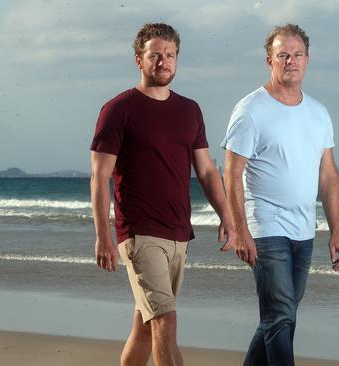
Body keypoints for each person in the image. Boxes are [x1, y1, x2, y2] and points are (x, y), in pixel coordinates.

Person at [90, 23, 236, 366]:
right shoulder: (118, 109)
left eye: (170, 55)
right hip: (139, 234)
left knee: (145, 324)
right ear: (139, 60)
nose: (163, 61)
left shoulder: (190, 110)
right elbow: (100, 176)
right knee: (166, 322)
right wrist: (103, 237)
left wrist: (228, 217)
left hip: (178, 234)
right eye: (155, 55)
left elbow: (206, 170)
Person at [220, 23, 339, 366]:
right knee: (280, 317)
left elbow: (329, 175)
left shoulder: (319, 113)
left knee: (281, 316)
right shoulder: (250, 110)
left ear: (307, 60)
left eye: (297, 54)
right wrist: (241, 230)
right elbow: (231, 172)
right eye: (283, 55)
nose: (291, 61)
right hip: (265, 227)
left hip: (304, 230)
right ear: (269, 61)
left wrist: (336, 231)